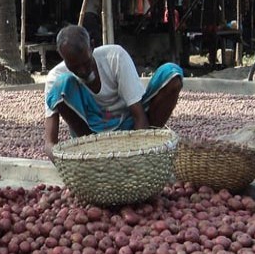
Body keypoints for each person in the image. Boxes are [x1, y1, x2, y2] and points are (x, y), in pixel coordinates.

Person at [43, 25, 183, 157]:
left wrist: (140, 157)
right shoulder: (54, 77)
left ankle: (151, 144)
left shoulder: (115, 57)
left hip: (131, 126)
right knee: (60, 85)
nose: (82, 71)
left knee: (172, 75)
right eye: (74, 66)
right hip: (92, 133)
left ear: (92, 46)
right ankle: (91, 154)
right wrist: (64, 164)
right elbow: (49, 143)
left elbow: (139, 116)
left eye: (86, 63)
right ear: (61, 56)